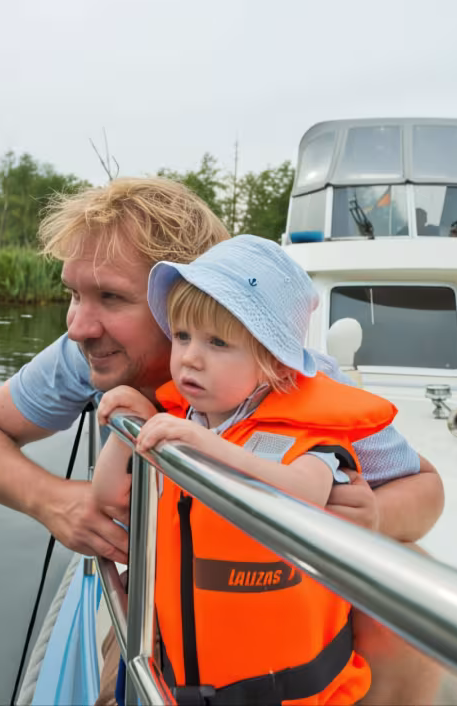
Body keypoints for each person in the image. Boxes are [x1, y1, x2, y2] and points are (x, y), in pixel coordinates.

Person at [0, 177, 444, 704]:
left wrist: (370, 518)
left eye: (111, 297)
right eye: (74, 293)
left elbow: (426, 490)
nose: (78, 327)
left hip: (274, 603)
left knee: (414, 582)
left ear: (191, 296)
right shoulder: (91, 352)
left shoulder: (292, 380)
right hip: (164, 594)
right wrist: (54, 502)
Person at [92, 234, 403, 704]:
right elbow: (106, 497)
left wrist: (209, 448)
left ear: (272, 363)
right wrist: (129, 428)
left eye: (218, 342)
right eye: (182, 336)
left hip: (281, 691)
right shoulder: (181, 420)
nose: (190, 357)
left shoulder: (308, 438)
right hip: (183, 678)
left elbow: (303, 493)